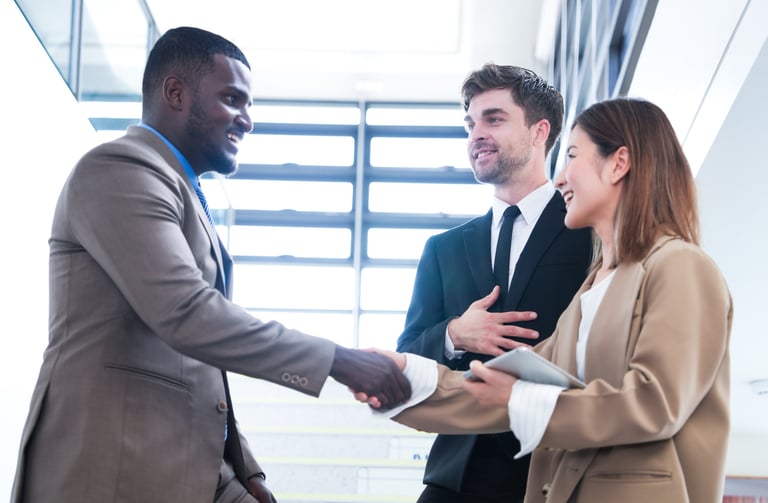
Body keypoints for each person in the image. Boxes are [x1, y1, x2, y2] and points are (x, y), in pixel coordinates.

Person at [11, 26, 411, 503]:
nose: (247, 121)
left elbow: (201, 365)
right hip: (111, 471)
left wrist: (247, 471)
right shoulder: (120, 168)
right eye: (232, 99)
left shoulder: (179, 188)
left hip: (192, 469)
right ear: (175, 93)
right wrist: (339, 362)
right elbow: (187, 314)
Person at [370, 97, 733, 503]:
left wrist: (519, 399)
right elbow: (500, 390)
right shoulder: (592, 290)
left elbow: (655, 403)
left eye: (573, 155)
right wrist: (400, 380)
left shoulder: (680, 265)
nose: (560, 179)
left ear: (619, 163)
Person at [396, 64, 592, 502]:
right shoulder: (443, 249)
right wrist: (453, 334)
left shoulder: (589, 234)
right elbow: (408, 353)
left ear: (540, 131)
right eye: (470, 123)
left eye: (494, 119)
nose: (476, 134)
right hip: (456, 476)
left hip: (552, 472)